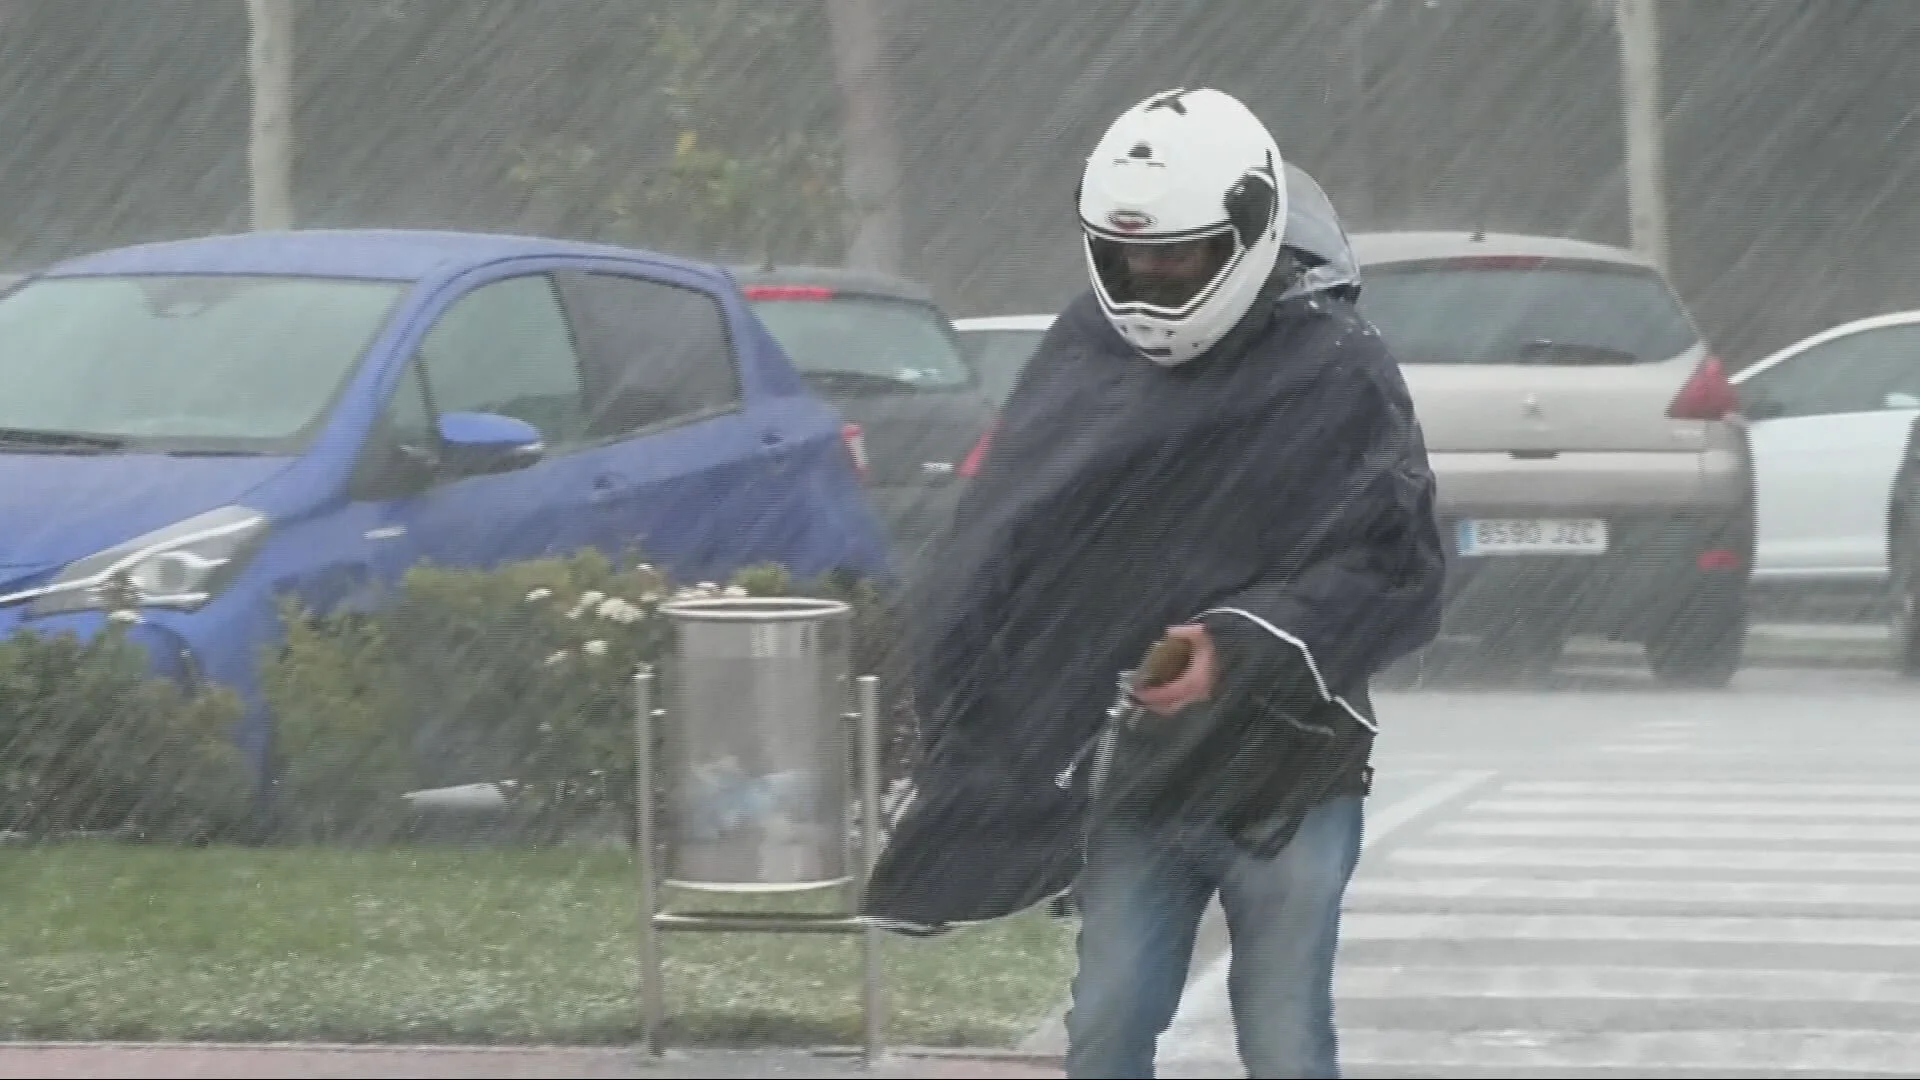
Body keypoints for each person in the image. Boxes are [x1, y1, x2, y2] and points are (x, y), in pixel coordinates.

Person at [860, 87, 1445, 1079]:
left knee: (1283, 1028)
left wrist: (1242, 639)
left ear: (1254, 229)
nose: (1153, 278)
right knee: (1110, 1024)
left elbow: (1397, 566)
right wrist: (960, 707)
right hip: (1134, 771)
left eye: (1182, 254)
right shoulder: (1086, 348)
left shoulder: (1334, 365)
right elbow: (1002, 539)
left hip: (1289, 774)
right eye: (1132, 256)